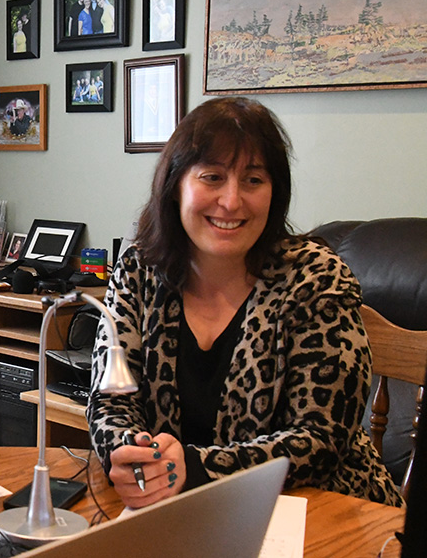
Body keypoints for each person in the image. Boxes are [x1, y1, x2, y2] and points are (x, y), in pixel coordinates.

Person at [85, 97, 403, 510]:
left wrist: (196, 469)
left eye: (253, 180)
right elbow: (110, 396)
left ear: (275, 192)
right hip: (180, 512)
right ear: (176, 186)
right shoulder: (138, 271)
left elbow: (321, 439)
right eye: (212, 177)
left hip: (323, 510)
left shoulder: (316, 278)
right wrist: (130, 453)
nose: (232, 201)